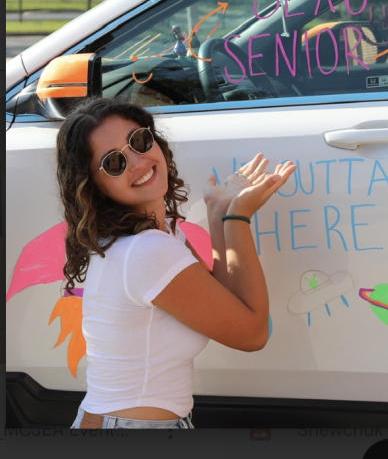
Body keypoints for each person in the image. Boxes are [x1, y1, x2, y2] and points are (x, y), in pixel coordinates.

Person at [55, 97, 296, 429]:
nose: (138, 162)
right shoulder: (147, 251)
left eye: (139, 141)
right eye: (114, 163)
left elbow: (226, 302)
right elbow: (253, 333)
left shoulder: (156, 233)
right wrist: (238, 217)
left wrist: (218, 213)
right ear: (93, 185)